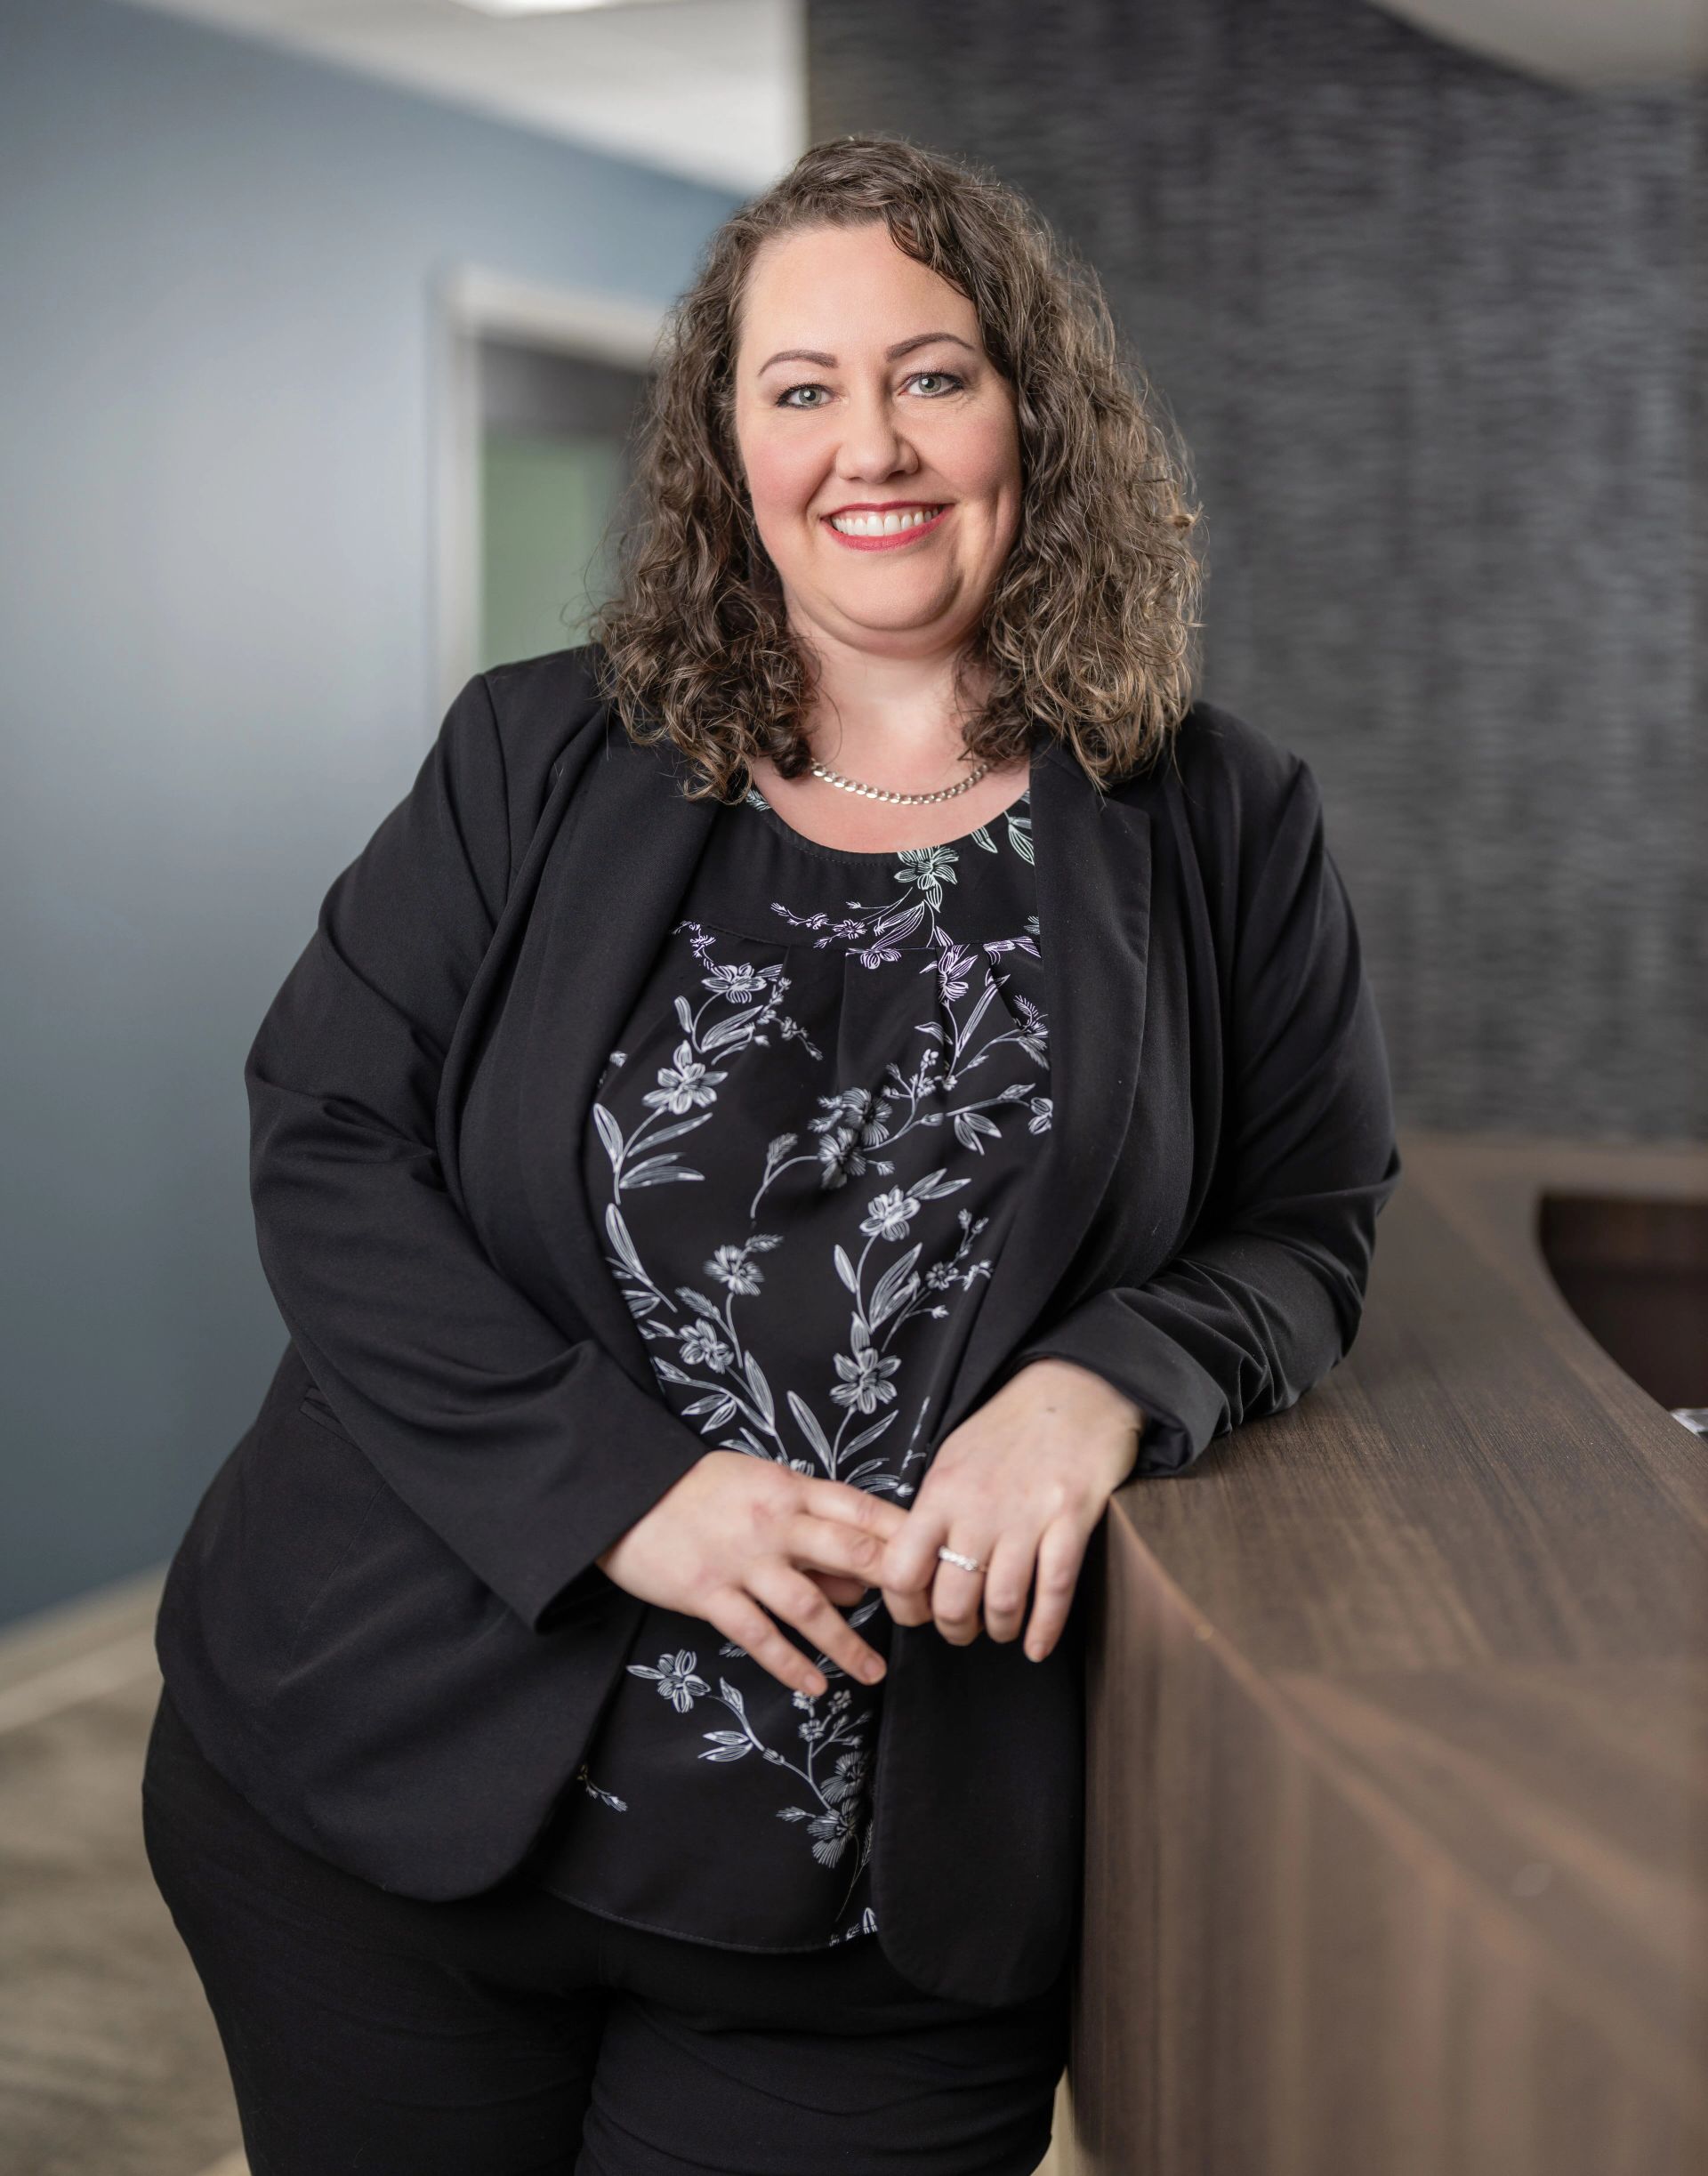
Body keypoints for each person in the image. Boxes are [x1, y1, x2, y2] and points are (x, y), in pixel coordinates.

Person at [141, 133, 1401, 2175]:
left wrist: (1106, 1379)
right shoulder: (537, 751)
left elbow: (1311, 1226)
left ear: (1034, 412)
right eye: (800, 389)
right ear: (730, 452)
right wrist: (621, 1491)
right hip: (383, 1794)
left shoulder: (1221, 817)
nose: (869, 443)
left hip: (883, 1912)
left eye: (933, 371)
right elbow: (328, 1133)